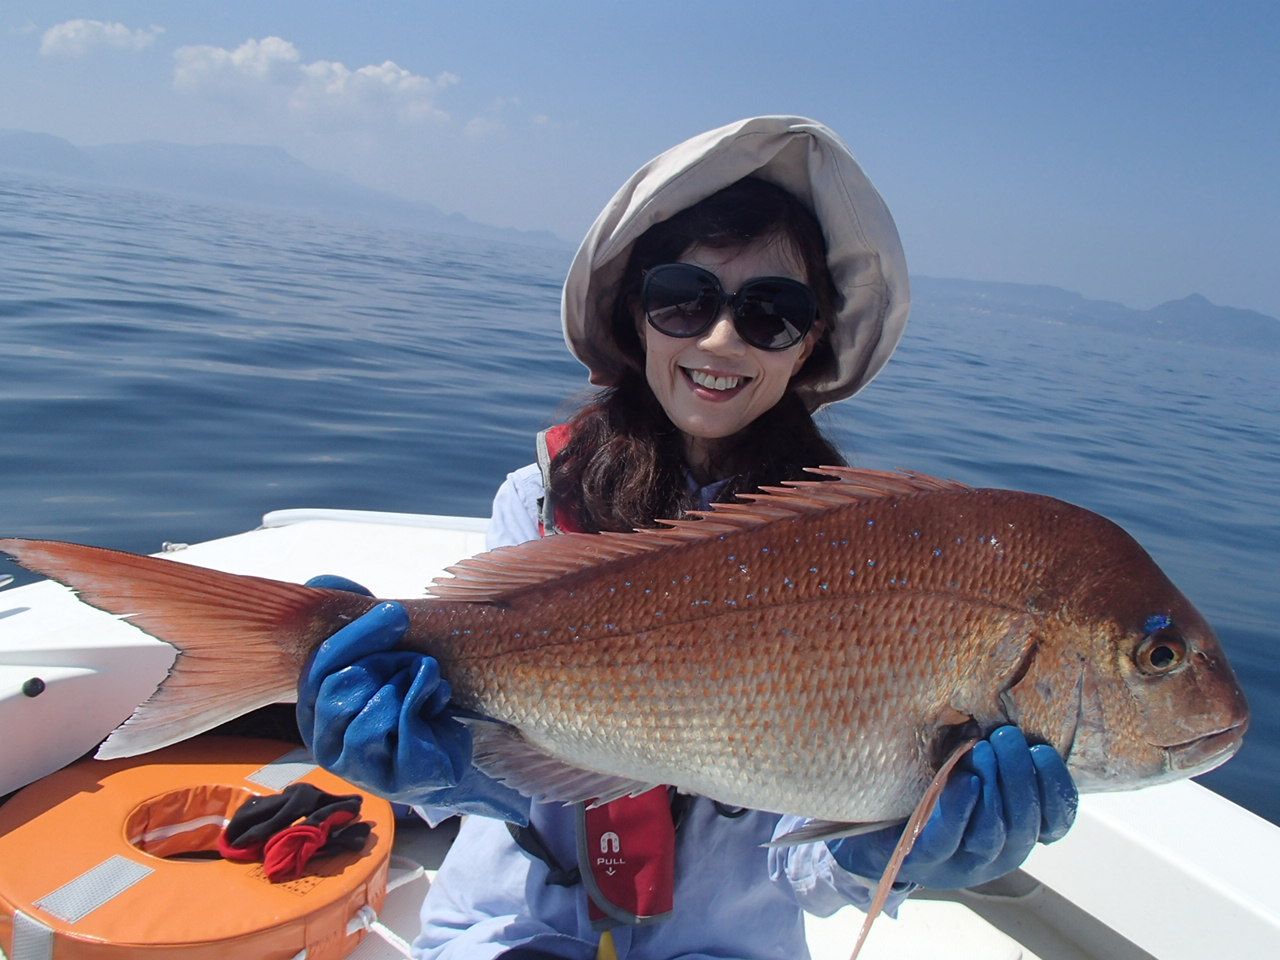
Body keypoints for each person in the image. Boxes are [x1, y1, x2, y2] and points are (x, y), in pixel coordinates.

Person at [295, 117, 1077, 960]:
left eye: (771, 314)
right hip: (512, 930)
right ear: (637, 314)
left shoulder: (853, 548)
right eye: (682, 298)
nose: (718, 340)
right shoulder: (540, 499)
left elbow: (807, 867)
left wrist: (889, 844)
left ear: (810, 343)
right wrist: (441, 768)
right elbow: (512, 768)